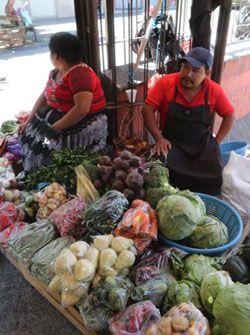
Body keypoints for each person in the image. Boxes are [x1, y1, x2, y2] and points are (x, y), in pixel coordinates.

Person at [143, 47, 236, 195]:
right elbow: (147, 110)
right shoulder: (166, 83)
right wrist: (159, 138)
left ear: (207, 73)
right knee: (162, 174)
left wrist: (216, 142)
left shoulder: (213, 90)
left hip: (201, 144)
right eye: (185, 67)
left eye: (195, 70)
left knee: (215, 176)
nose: (187, 74)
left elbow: (229, 115)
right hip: (171, 142)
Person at [19, 32, 107, 172]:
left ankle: (43, 169)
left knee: (45, 146)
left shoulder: (80, 74)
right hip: (61, 117)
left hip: (82, 122)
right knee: (30, 135)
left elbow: (81, 109)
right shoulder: (56, 72)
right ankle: (33, 165)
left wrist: (53, 129)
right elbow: (44, 96)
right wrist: (28, 121)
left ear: (56, 55)